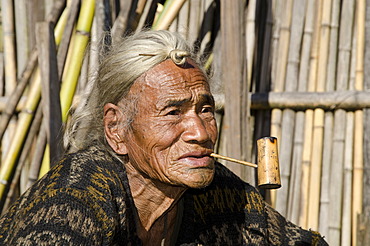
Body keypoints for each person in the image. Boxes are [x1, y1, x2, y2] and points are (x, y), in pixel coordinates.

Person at [0, 30, 327, 245]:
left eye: (206, 109)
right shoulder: (76, 194)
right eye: (173, 112)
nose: (200, 132)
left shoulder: (219, 194)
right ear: (116, 129)